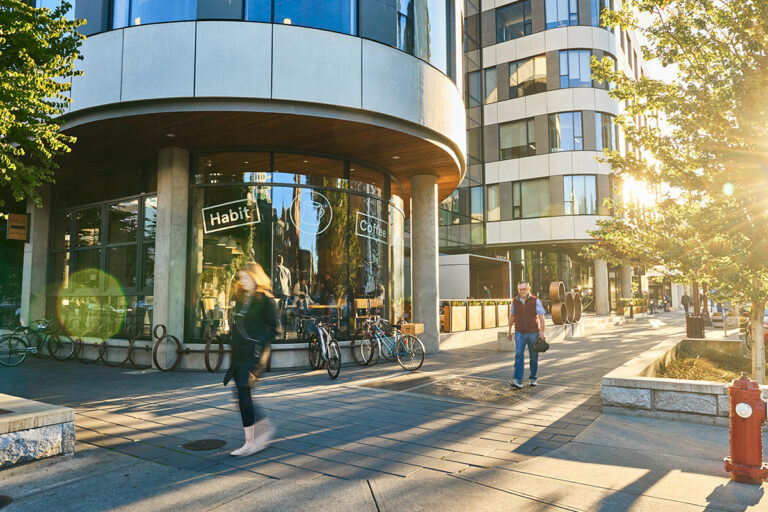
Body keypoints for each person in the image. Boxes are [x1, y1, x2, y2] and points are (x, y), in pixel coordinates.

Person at [223, 262, 278, 456]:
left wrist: (257, 342)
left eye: (245, 277)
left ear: (255, 277)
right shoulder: (244, 298)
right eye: (240, 277)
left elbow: (274, 328)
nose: (241, 281)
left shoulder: (265, 299)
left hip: (254, 355)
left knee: (243, 393)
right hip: (240, 353)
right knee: (240, 394)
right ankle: (263, 430)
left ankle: (250, 443)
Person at [506, 281, 546, 389]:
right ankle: (517, 380)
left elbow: (541, 317)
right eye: (520, 289)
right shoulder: (515, 301)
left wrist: (542, 332)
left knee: (533, 356)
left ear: (528, 288)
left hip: (533, 333)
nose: (522, 291)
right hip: (519, 333)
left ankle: (533, 378)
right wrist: (509, 331)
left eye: (524, 289)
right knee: (519, 355)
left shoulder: (535, 300)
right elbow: (512, 316)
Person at [273, 255, 291, 336]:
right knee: (284, 312)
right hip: (286, 293)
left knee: (276, 312)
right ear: (282, 261)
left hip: (277, 292)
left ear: (276, 261)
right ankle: (285, 331)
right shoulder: (287, 270)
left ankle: (277, 331)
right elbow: (289, 284)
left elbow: (274, 280)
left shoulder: (275, 268)